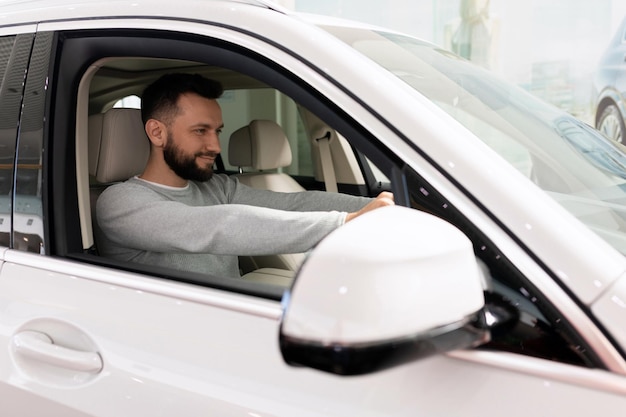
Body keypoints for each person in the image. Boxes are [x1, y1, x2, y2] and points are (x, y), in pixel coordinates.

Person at [96, 73, 394, 278]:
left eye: (217, 131)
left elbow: (293, 204)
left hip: (235, 312)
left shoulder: (216, 187)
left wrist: (375, 206)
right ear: (157, 132)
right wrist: (344, 223)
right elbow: (218, 227)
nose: (215, 146)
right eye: (200, 131)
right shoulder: (120, 203)